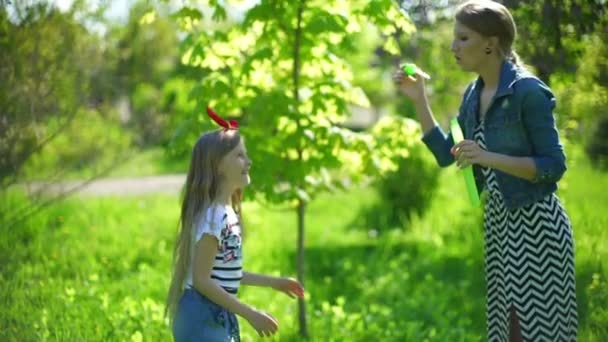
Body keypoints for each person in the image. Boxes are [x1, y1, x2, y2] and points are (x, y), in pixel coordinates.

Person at [393, 1, 577, 341]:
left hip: (537, 229)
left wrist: (488, 157)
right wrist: (419, 99)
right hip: (500, 230)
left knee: (538, 333)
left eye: (463, 38)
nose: (453, 47)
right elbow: (447, 155)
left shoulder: (527, 91)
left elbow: (554, 166)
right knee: (507, 332)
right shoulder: (472, 94)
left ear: (490, 43)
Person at [165, 107, 305, 341]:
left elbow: (226, 274)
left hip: (213, 312)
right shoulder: (213, 217)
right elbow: (202, 280)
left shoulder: (226, 213)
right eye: (239, 155)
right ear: (217, 165)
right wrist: (250, 313)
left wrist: (274, 283)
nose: (248, 162)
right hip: (201, 315)